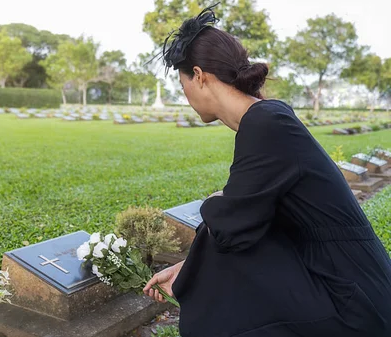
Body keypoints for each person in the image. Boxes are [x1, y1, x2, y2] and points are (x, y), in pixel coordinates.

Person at [143, 4, 391, 337]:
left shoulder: (266, 123)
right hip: (342, 277)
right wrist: (187, 267)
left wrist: (216, 201)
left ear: (199, 76)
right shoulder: (265, 118)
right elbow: (248, 218)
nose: (184, 95)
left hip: (352, 295)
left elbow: (231, 223)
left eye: (183, 83)